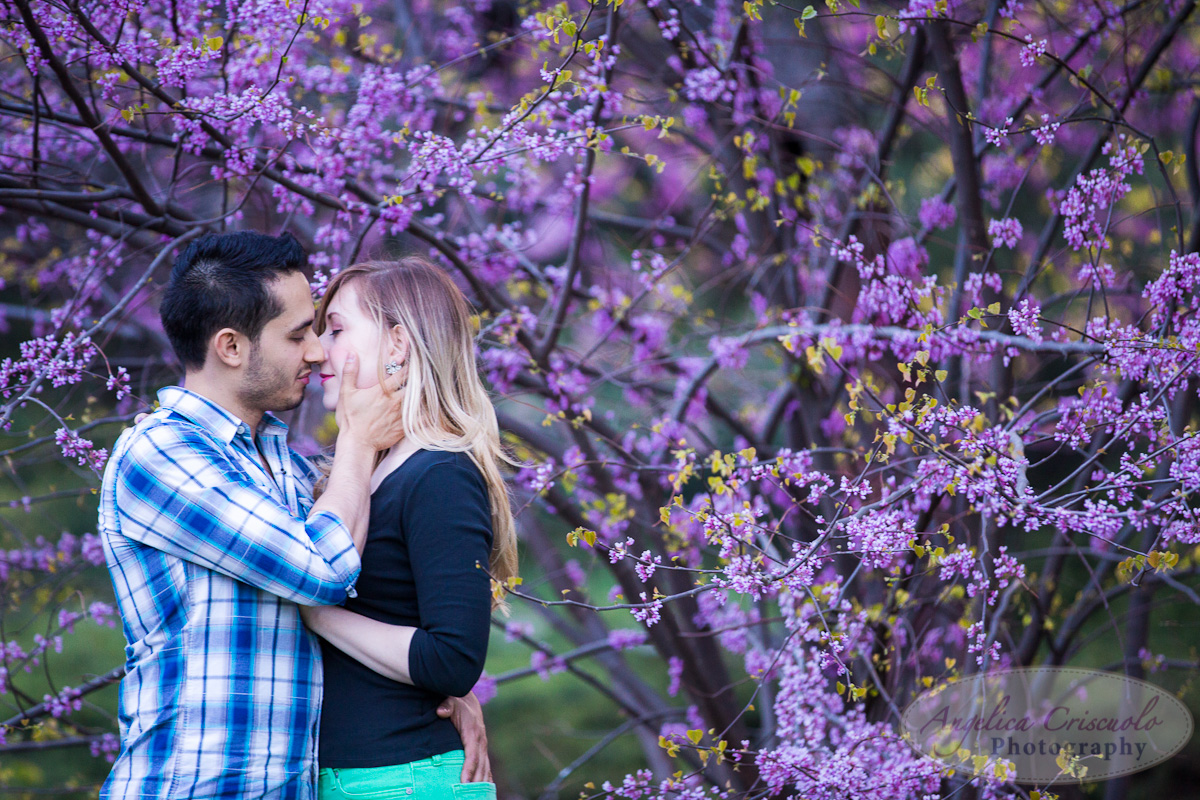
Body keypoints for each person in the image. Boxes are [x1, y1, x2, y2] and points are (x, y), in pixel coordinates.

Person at [98, 233, 488, 800]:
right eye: (299, 334)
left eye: (326, 331)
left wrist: (447, 686)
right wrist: (357, 441)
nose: (316, 352)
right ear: (231, 347)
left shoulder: (289, 471)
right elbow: (322, 573)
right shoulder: (161, 454)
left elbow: (387, 606)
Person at [297, 258, 517, 800]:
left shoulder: (440, 473)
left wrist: (317, 612)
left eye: (337, 329)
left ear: (398, 343)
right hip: (362, 780)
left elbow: (453, 659)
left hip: (404, 780)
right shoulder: (366, 474)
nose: (320, 349)